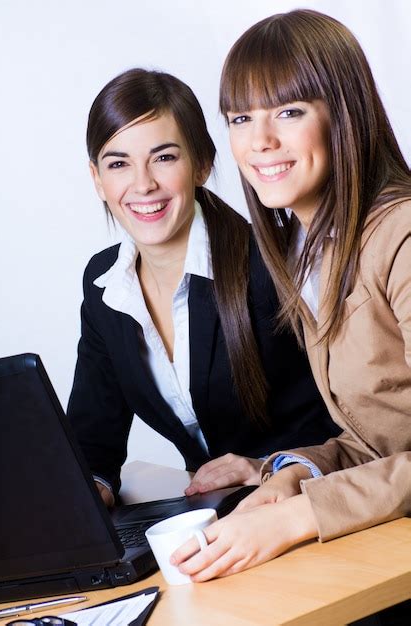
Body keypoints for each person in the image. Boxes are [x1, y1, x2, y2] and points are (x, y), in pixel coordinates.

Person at [172, 8, 411, 588]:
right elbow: (379, 439)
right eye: (240, 117)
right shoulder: (306, 249)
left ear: (344, 114)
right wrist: (290, 475)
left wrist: (303, 516)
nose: (260, 142)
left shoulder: (400, 235)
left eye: (290, 111)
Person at [67, 68, 338, 507]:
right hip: (218, 518)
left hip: (312, 504)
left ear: (203, 164)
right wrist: (89, 491)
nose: (142, 184)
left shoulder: (275, 261)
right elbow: (93, 435)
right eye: (118, 164)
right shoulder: (104, 283)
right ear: (98, 178)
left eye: (164, 157)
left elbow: (357, 419)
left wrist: (268, 465)